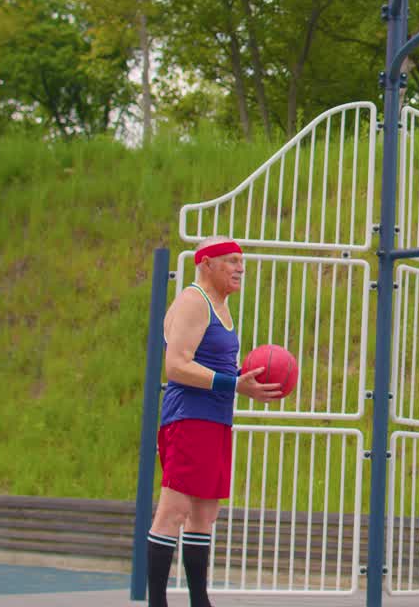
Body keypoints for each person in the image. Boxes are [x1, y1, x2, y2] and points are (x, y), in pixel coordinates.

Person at [146, 236, 282, 607]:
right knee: (173, 512)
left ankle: (199, 601)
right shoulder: (194, 300)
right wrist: (233, 383)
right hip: (190, 417)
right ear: (206, 264)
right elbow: (176, 366)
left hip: (215, 419)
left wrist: (243, 380)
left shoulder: (221, 306)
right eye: (232, 261)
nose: (240, 268)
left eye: (242, 262)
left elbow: (216, 366)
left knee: (205, 513)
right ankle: (156, 601)